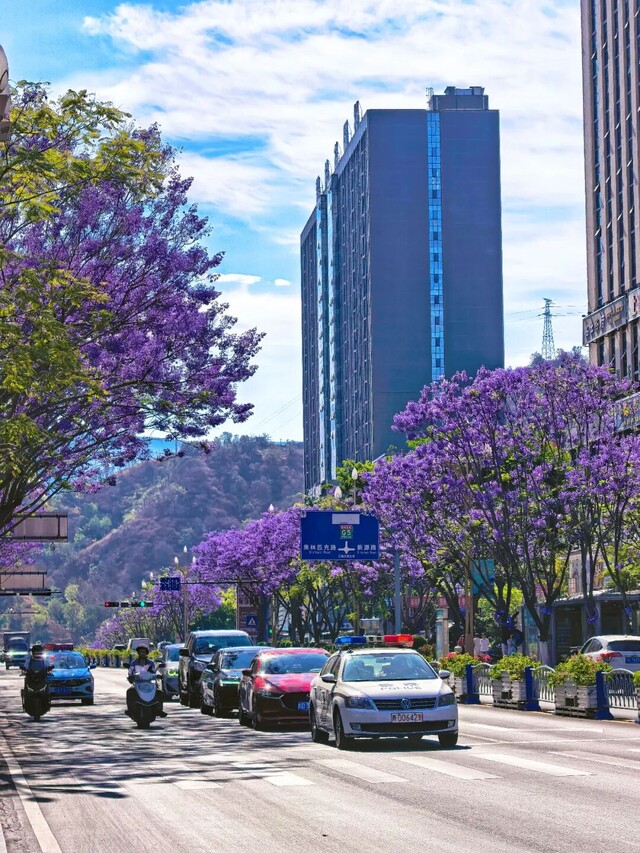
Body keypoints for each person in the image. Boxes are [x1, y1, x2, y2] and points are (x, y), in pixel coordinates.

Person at [126, 645, 166, 717]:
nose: (143, 653)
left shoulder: (150, 663)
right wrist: (130, 676)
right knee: (129, 691)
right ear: (138, 653)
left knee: (160, 692)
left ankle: (159, 709)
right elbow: (130, 671)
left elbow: (154, 671)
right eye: (141, 652)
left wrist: (158, 675)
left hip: (149, 682)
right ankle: (130, 709)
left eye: (144, 652)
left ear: (146, 653)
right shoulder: (134, 663)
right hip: (138, 683)